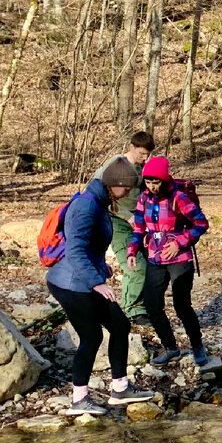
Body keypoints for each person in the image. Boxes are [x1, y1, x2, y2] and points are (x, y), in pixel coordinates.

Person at [47, 157, 156, 416]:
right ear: (115, 184)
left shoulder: (99, 202)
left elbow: (90, 247)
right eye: (127, 188)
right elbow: (75, 250)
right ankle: (79, 400)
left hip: (83, 279)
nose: (130, 193)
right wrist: (96, 282)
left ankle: (120, 389)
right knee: (92, 337)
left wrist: (101, 267)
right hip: (71, 284)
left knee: (119, 324)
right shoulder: (86, 206)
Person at [128, 157, 211, 367]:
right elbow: (139, 228)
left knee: (182, 305)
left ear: (164, 180)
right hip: (155, 257)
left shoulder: (179, 197)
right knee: (152, 304)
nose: (152, 187)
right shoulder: (144, 199)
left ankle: (197, 345)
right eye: (148, 182)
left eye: (156, 182)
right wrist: (132, 251)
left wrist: (180, 242)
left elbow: (201, 223)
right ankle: (171, 347)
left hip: (180, 257)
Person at [93, 132, 154, 325]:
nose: (144, 158)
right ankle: (132, 310)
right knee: (136, 265)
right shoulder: (117, 164)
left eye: (147, 154)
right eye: (141, 153)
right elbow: (103, 192)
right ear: (131, 147)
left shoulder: (141, 169)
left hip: (138, 222)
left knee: (148, 264)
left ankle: (143, 307)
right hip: (118, 220)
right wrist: (128, 217)